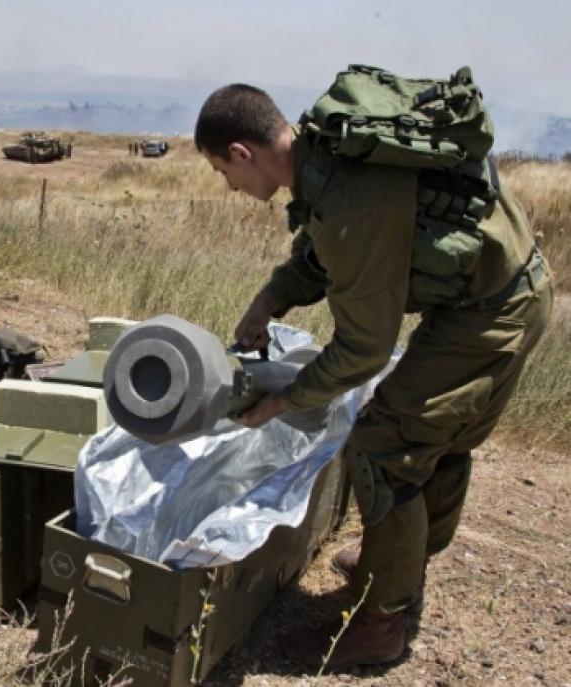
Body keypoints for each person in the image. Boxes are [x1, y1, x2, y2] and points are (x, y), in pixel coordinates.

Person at [194, 84, 552, 670]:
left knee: (385, 444)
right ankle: (396, 565)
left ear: (241, 153)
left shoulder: (347, 199)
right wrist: (272, 298)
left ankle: (380, 623)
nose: (229, 187)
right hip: (497, 290)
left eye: (222, 172)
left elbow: (362, 351)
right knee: (431, 436)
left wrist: (282, 402)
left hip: (491, 311)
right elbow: (322, 252)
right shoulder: (326, 153)